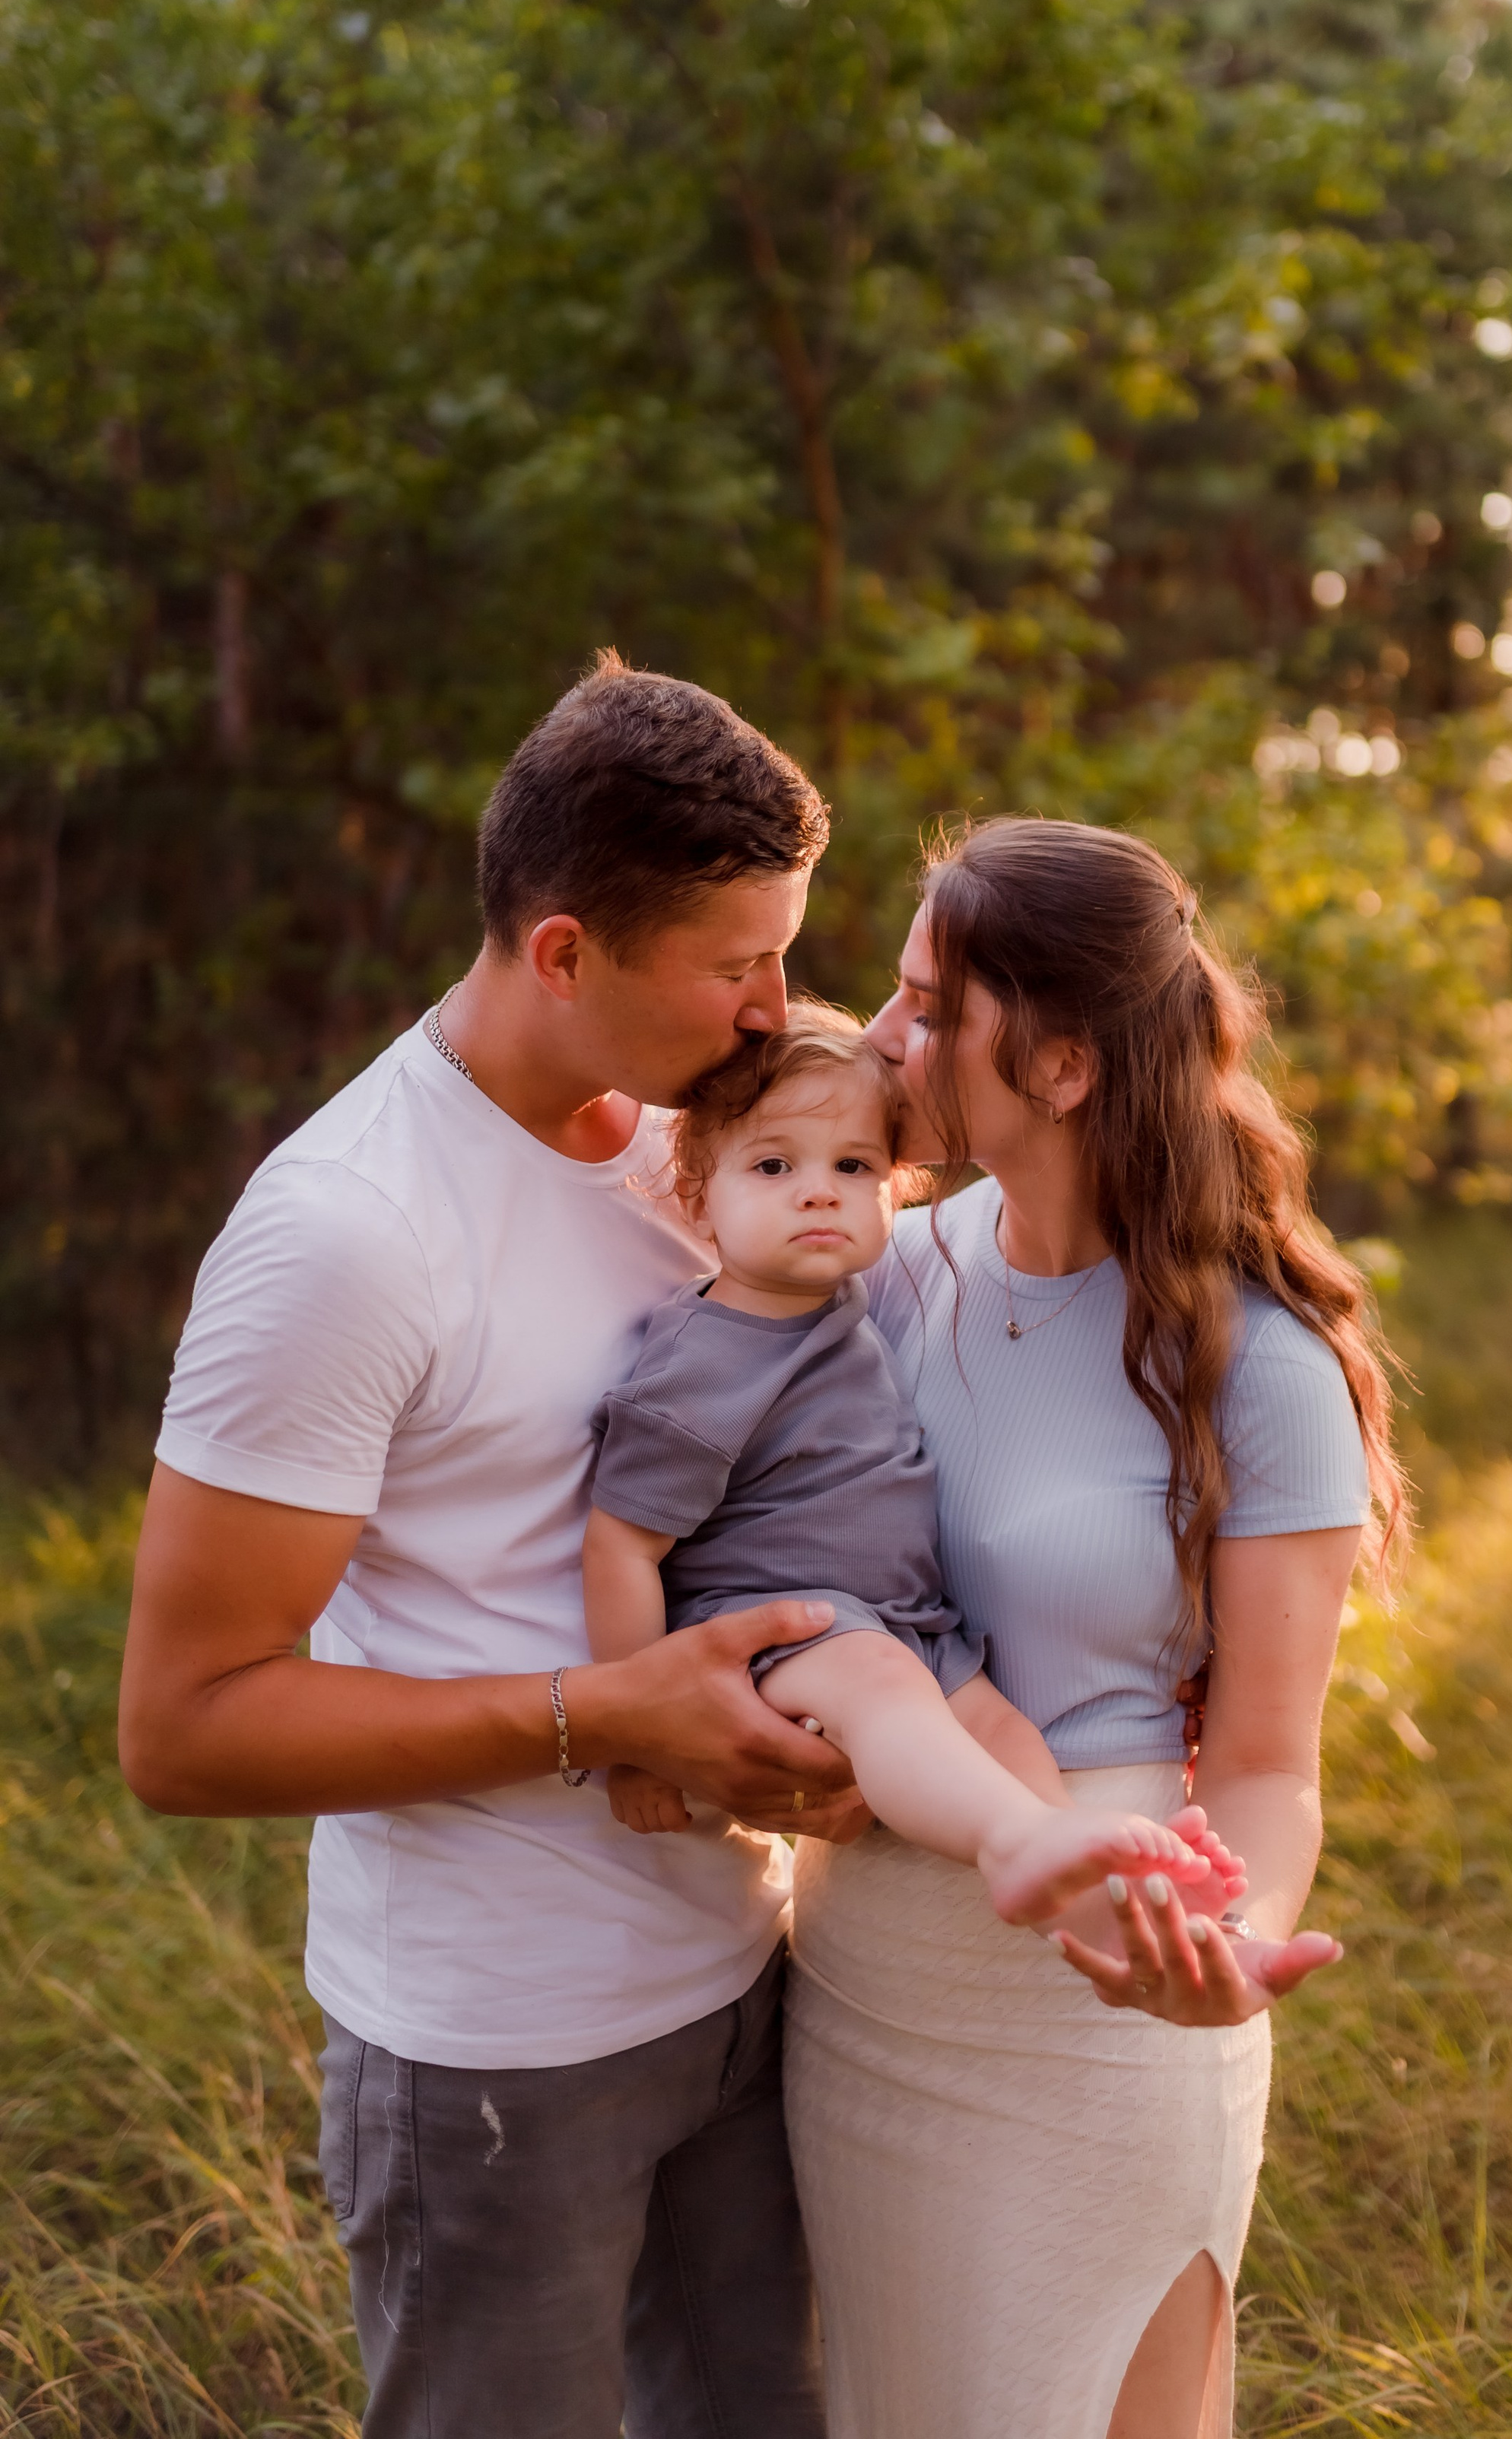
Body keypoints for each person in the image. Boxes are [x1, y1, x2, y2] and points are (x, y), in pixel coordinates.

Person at [117, 655, 862, 2439]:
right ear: (563, 952)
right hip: (497, 2057)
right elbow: (184, 1726)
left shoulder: (709, 1138)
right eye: (735, 964)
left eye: (783, 950)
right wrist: (603, 1715)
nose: (775, 1008)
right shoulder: (347, 1235)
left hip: (752, 1979)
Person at [786, 816, 1408, 2439]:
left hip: (1108, 1995)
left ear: (1062, 1068)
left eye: (931, 1008)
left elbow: (1268, 1766)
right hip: (862, 1984)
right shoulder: (877, 1274)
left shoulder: (1258, 1366)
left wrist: (1231, 1942)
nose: (882, 1036)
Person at [583, 1002, 1235, 1924]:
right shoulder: (704, 1358)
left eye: (853, 1166)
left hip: (904, 1623)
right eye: (773, 1166)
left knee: (996, 1724)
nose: (819, 1193)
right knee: (888, 1691)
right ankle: (1016, 1843)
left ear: (896, 1190)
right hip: (779, 1628)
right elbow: (620, 1547)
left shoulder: (852, 1296)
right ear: (698, 1198)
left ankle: (1094, 1887)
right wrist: (635, 1739)